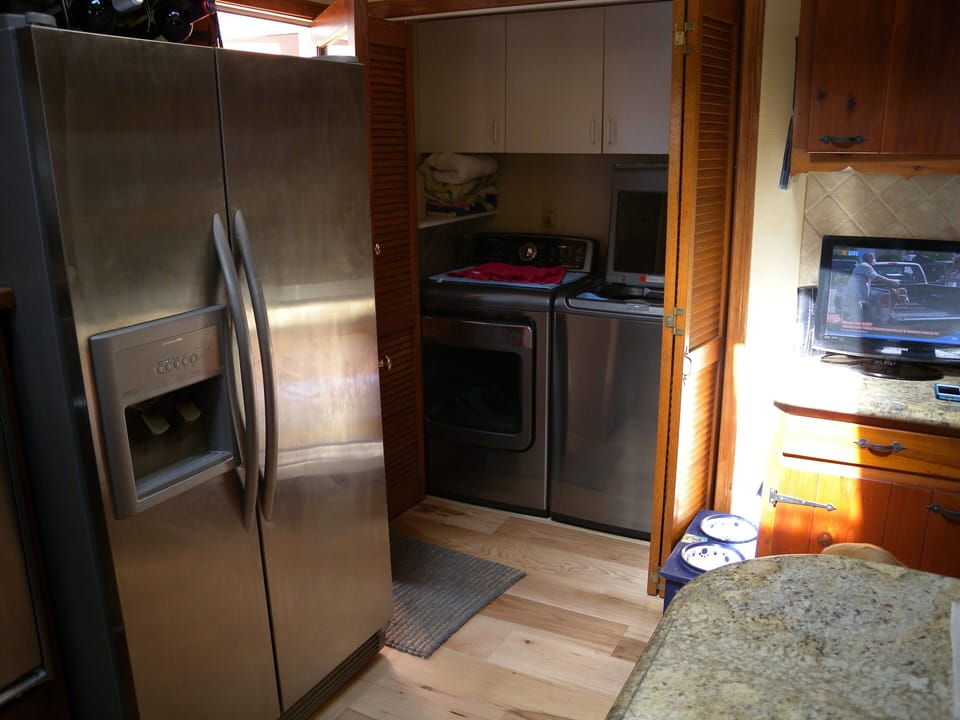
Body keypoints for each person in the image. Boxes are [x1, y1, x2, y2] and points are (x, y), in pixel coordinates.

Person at [844, 252, 899, 323]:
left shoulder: (862, 266)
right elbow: (876, 278)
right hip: (854, 297)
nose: (874, 259)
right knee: (856, 317)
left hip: (855, 297)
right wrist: (892, 281)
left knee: (857, 316)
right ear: (869, 258)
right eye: (873, 258)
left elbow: (870, 279)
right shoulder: (865, 266)